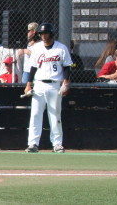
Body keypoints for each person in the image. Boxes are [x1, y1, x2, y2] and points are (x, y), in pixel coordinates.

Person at [23, 23, 72, 153]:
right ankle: (33, 143)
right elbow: (32, 67)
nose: (43, 36)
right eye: (41, 34)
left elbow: (67, 66)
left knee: (55, 115)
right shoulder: (37, 48)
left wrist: (65, 82)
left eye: (46, 33)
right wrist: (28, 84)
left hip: (55, 84)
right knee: (35, 114)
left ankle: (57, 144)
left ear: (51, 34)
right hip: (38, 83)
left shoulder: (61, 48)